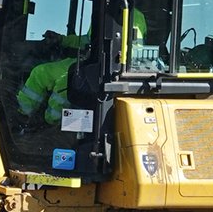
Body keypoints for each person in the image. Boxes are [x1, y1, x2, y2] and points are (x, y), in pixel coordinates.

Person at [16, 8, 148, 127]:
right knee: (41, 72)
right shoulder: (103, 9)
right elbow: (88, 40)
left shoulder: (132, 16)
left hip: (109, 68)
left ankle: (50, 125)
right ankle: (22, 115)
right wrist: (62, 40)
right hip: (89, 60)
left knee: (66, 82)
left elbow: (134, 52)